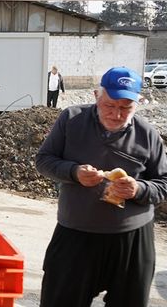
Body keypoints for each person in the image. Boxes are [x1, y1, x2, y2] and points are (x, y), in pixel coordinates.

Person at [35, 66, 167, 307]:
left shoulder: (147, 134)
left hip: (132, 239)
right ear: (97, 96)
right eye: (110, 105)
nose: (117, 114)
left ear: (138, 103)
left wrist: (138, 189)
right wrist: (74, 172)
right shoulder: (71, 120)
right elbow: (44, 161)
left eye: (125, 107)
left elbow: (163, 184)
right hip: (76, 234)